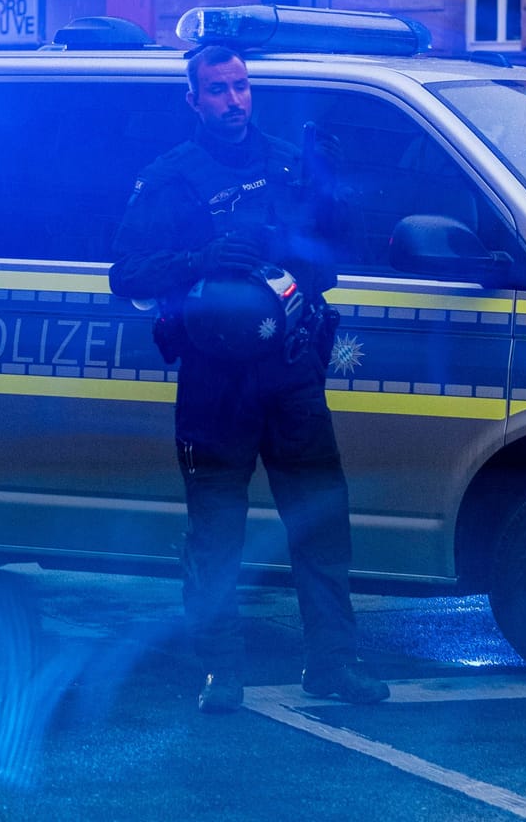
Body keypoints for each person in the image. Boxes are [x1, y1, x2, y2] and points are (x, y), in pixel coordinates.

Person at [109, 45, 389, 714]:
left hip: (291, 374)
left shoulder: (290, 164)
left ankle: (333, 665)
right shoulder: (171, 179)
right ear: (194, 100)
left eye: (241, 86)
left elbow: (338, 255)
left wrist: (329, 195)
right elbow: (126, 275)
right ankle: (220, 674)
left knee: (321, 525)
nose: (233, 100)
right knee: (216, 537)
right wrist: (202, 257)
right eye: (217, 90)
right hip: (215, 383)